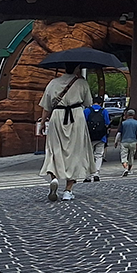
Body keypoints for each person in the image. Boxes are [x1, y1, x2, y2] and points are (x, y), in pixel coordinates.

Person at [38, 66, 93, 201]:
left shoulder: (53, 83)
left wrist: (42, 122)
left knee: (54, 150)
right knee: (75, 152)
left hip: (57, 116)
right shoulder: (82, 83)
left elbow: (46, 106)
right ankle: (68, 190)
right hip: (76, 116)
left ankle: (54, 178)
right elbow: (88, 102)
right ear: (77, 68)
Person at [84, 96, 111, 182]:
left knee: (89, 156)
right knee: (99, 155)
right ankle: (96, 173)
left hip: (89, 137)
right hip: (101, 137)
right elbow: (107, 123)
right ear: (101, 103)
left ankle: (88, 175)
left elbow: (83, 123)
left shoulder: (87, 111)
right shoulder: (104, 111)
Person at [116, 109, 137, 175]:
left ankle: (125, 168)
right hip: (133, 141)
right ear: (134, 115)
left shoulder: (123, 123)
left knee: (123, 156)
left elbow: (119, 133)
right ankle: (129, 169)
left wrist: (116, 141)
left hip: (124, 141)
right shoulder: (136, 122)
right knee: (131, 156)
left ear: (127, 114)